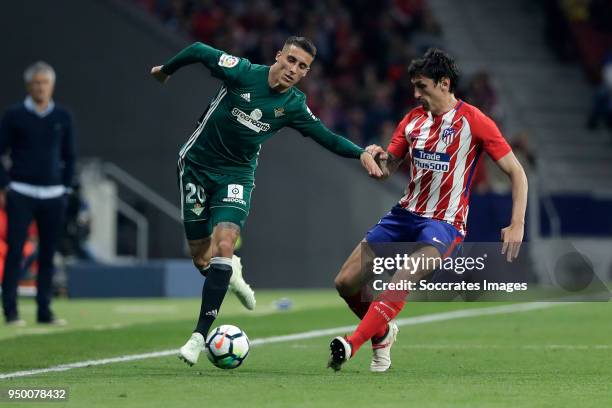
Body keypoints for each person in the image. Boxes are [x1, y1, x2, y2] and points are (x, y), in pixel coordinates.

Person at [151, 36, 384, 366]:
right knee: (202, 259)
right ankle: (231, 273)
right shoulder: (243, 72)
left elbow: (326, 137)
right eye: (291, 60)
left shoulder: (293, 105)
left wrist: (359, 152)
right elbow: (200, 50)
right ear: (278, 56)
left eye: (302, 66)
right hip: (196, 167)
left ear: (306, 74)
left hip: (236, 175)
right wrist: (167, 70)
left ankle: (198, 336)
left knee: (225, 243)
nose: (294, 69)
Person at [328, 49, 528, 372]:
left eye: (422, 86)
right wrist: (374, 155)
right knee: (346, 281)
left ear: (444, 83)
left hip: (445, 223)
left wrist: (516, 222)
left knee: (404, 273)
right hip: (404, 215)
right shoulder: (411, 121)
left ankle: (352, 344)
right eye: (414, 87)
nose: (416, 94)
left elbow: (517, 172)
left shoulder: (475, 121)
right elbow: (386, 170)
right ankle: (382, 333)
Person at [0, 61, 76, 326]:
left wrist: (65, 188)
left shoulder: (62, 117)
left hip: (54, 195)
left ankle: (44, 311)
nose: (40, 87)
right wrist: (5, 185)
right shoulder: (14, 115)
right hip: (20, 192)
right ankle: (10, 311)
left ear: (52, 85)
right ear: (28, 86)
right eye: (35, 83)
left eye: (44, 82)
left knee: (47, 254)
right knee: (15, 251)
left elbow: (70, 156)